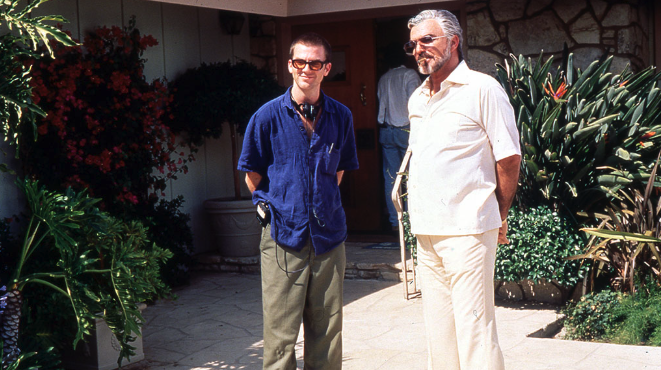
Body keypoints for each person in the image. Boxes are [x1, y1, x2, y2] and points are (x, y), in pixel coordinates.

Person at [404, 10, 521, 370]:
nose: (419, 49)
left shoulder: (483, 89)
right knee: (438, 332)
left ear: (453, 42)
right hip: (426, 230)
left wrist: (498, 214)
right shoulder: (417, 98)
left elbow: (509, 159)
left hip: (469, 230)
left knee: (475, 329)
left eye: (428, 40)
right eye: (413, 44)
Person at [238, 32, 359, 370]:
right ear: (290, 66)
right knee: (280, 337)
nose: (308, 68)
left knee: (328, 333)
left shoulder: (341, 116)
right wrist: (278, 206)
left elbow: (339, 170)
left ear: (327, 68)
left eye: (315, 63)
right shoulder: (265, 116)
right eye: (301, 62)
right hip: (282, 238)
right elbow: (252, 172)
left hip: (329, 238)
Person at [377, 43, 421, 231]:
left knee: (391, 177)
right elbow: (416, 102)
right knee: (413, 176)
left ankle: (396, 223)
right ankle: (413, 222)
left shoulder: (384, 78)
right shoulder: (410, 75)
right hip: (406, 129)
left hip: (387, 129)